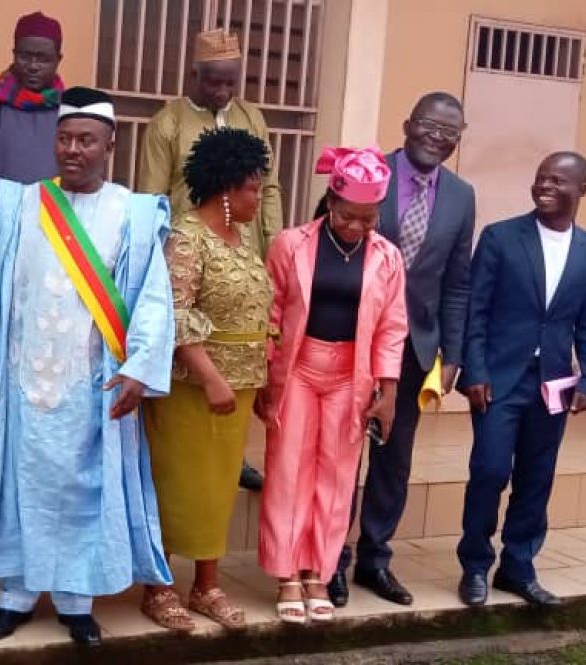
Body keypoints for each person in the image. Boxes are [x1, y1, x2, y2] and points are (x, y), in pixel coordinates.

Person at [0, 87, 174, 648]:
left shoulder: (135, 212)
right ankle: (16, 597)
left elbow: (154, 297)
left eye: (86, 140)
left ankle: (77, 601)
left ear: (109, 145)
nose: (72, 149)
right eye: (64, 138)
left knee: (82, 490)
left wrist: (139, 370)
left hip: (92, 385)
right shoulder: (18, 202)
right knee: (18, 482)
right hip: (20, 379)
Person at [329, 92, 476, 608]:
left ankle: (375, 560)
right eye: (430, 126)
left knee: (394, 459)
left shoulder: (461, 196)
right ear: (408, 124)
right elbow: (323, 244)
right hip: (350, 338)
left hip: (415, 348)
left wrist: (452, 351)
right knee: (344, 454)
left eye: (450, 132)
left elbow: (458, 282)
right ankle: (332, 562)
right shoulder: (367, 170)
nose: (438, 138)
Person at [257, 147, 407, 624]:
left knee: (337, 476)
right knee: (287, 470)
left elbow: (392, 327)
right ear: (330, 202)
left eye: (368, 219)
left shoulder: (388, 257)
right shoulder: (291, 244)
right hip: (298, 368)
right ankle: (286, 573)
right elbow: (271, 310)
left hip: (351, 374)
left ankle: (318, 572)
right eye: (348, 216)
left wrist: (388, 389)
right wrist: (264, 371)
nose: (357, 228)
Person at [456, 152, 586, 609]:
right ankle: (476, 566)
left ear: (582, 190)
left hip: (553, 385)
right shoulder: (501, 237)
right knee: (489, 470)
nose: (544, 186)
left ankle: (518, 566)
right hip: (499, 379)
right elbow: (476, 310)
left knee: (537, 477)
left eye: (557, 180)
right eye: (540, 178)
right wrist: (474, 370)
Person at [141, 127, 273, 632]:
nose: (259, 199)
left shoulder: (240, 239)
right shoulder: (187, 237)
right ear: (225, 189)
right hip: (193, 388)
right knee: (176, 486)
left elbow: (255, 308)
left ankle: (206, 585)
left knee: (217, 491)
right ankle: (158, 587)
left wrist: (257, 382)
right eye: (252, 189)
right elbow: (173, 313)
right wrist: (212, 376)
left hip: (237, 389)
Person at [138, 29, 281, 492]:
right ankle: (173, 457)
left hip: (241, 255)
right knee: (192, 352)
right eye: (212, 81)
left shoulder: (251, 118)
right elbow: (152, 196)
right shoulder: (169, 121)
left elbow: (269, 189)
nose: (221, 91)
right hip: (188, 258)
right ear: (194, 74)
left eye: (229, 82)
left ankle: (233, 458)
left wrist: (271, 246)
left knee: (238, 353)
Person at [0, 11, 64, 286]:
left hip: (56, 231)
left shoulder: (69, 110)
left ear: (58, 60)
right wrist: (17, 213)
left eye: (43, 58)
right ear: (13, 53)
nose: (32, 65)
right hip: (0, 229)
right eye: (25, 55)